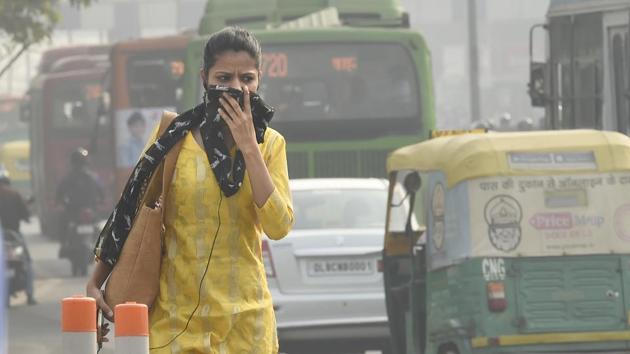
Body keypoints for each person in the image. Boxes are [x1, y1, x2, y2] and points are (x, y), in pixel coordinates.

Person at [88, 27, 294, 353]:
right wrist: (96, 282)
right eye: (224, 78)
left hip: (246, 325)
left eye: (247, 79)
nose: (237, 88)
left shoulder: (270, 145)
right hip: (175, 324)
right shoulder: (173, 138)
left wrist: (249, 147)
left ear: (259, 79)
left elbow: (278, 226)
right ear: (204, 78)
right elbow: (130, 210)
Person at [0, 167, 36, 305]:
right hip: (13, 235)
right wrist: (26, 217)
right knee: (27, 262)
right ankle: (30, 295)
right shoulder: (14, 194)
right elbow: (25, 213)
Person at [56, 148, 104, 249]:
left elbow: (59, 193)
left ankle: (64, 244)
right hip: (81, 210)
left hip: (79, 210)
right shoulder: (93, 177)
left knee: (99, 226)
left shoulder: (70, 177)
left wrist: (60, 202)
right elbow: (102, 192)